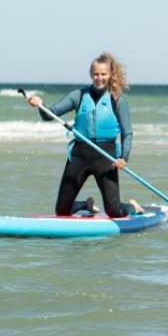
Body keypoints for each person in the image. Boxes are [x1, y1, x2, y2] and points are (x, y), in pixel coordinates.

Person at [25, 52, 143, 217]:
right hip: (79, 155)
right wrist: (40, 104)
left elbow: (127, 132)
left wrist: (123, 157)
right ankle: (85, 205)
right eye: (96, 74)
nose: (99, 78)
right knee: (62, 211)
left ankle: (133, 207)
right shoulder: (79, 95)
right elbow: (49, 114)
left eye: (103, 74)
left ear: (110, 75)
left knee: (114, 211)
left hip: (106, 156)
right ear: (91, 75)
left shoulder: (117, 99)